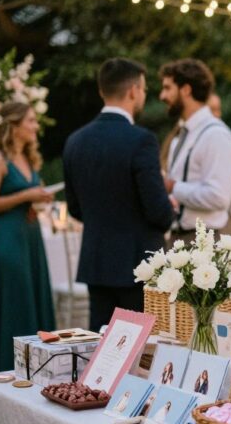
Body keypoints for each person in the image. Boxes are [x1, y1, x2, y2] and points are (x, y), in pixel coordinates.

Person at [64, 58, 174, 332]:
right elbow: (157, 211)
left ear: (103, 91)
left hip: (97, 261)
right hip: (138, 266)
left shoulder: (75, 140)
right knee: (140, 350)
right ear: (134, 90)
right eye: (145, 89)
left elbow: (75, 208)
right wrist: (168, 207)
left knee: (102, 349)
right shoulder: (141, 140)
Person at [0, 102, 57, 380]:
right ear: (14, 125)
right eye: (31, 121)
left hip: (30, 238)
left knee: (31, 299)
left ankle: (34, 369)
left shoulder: (27, 158)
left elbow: (25, 197)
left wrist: (38, 199)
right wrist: (26, 196)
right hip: (7, 240)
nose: (35, 126)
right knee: (15, 302)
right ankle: (5, 369)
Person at [160, 59, 231, 243]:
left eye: (167, 88)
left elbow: (218, 197)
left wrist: (172, 187)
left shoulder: (216, 135)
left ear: (186, 90)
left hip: (205, 242)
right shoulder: (182, 134)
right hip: (178, 238)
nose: (162, 95)